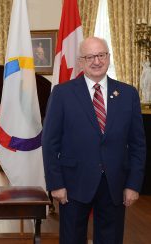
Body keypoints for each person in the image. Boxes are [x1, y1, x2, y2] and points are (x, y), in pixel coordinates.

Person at [42, 37, 146, 244]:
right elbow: (50, 143)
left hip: (115, 185)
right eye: (89, 56)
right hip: (73, 185)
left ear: (109, 57)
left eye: (101, 55)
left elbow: (138, 145)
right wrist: (56, 184)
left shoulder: (128, 94)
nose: (96, 61)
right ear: (80, 62)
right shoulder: (62, 93)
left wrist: (133, 184)